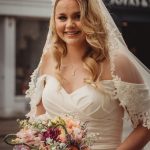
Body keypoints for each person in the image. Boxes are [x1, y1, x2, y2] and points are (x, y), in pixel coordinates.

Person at [25, 0, 150, 149]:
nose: (69, 24)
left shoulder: (117, 63)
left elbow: (147, 123)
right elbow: (38, 121)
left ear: (92, 19)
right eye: (62, 17)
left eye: (78, 16)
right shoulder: (49, 59)